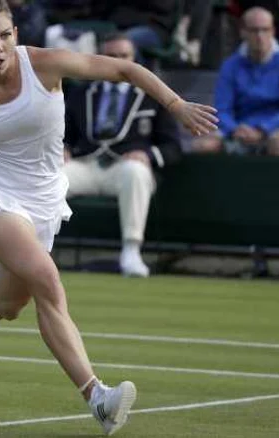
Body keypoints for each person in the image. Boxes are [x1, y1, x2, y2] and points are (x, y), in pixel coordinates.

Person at [0, 0, 217, 435]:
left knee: (7, 305)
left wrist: (175, 104)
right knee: (47, 278)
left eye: (5, 35)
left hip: (44, 202)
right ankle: (97, 397)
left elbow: (126, 71)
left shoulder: (46, 64)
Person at [63, 33, 182, 277]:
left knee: (135, 171)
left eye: (124, 56)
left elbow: (173, 146)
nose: (118, 62)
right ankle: (27, 252)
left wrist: (147, 154)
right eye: (111, 56)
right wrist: (62, 149)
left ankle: (131, 252)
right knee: (49, 175)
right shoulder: (80, 92)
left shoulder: (153, 94)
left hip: (125, 168)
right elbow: (64, 134)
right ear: (99, 58)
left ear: (134, 59)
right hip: (86, 164)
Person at [191, 7, 279, 156]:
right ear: (243, 32)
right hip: (238, 130)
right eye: (254, 30)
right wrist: (235, 129)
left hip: (275, 130)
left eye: (265, 30)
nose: (260, 36)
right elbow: (222, 109)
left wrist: (262, 129)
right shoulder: (230, 65)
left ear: (273, 31)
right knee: (203, 145)